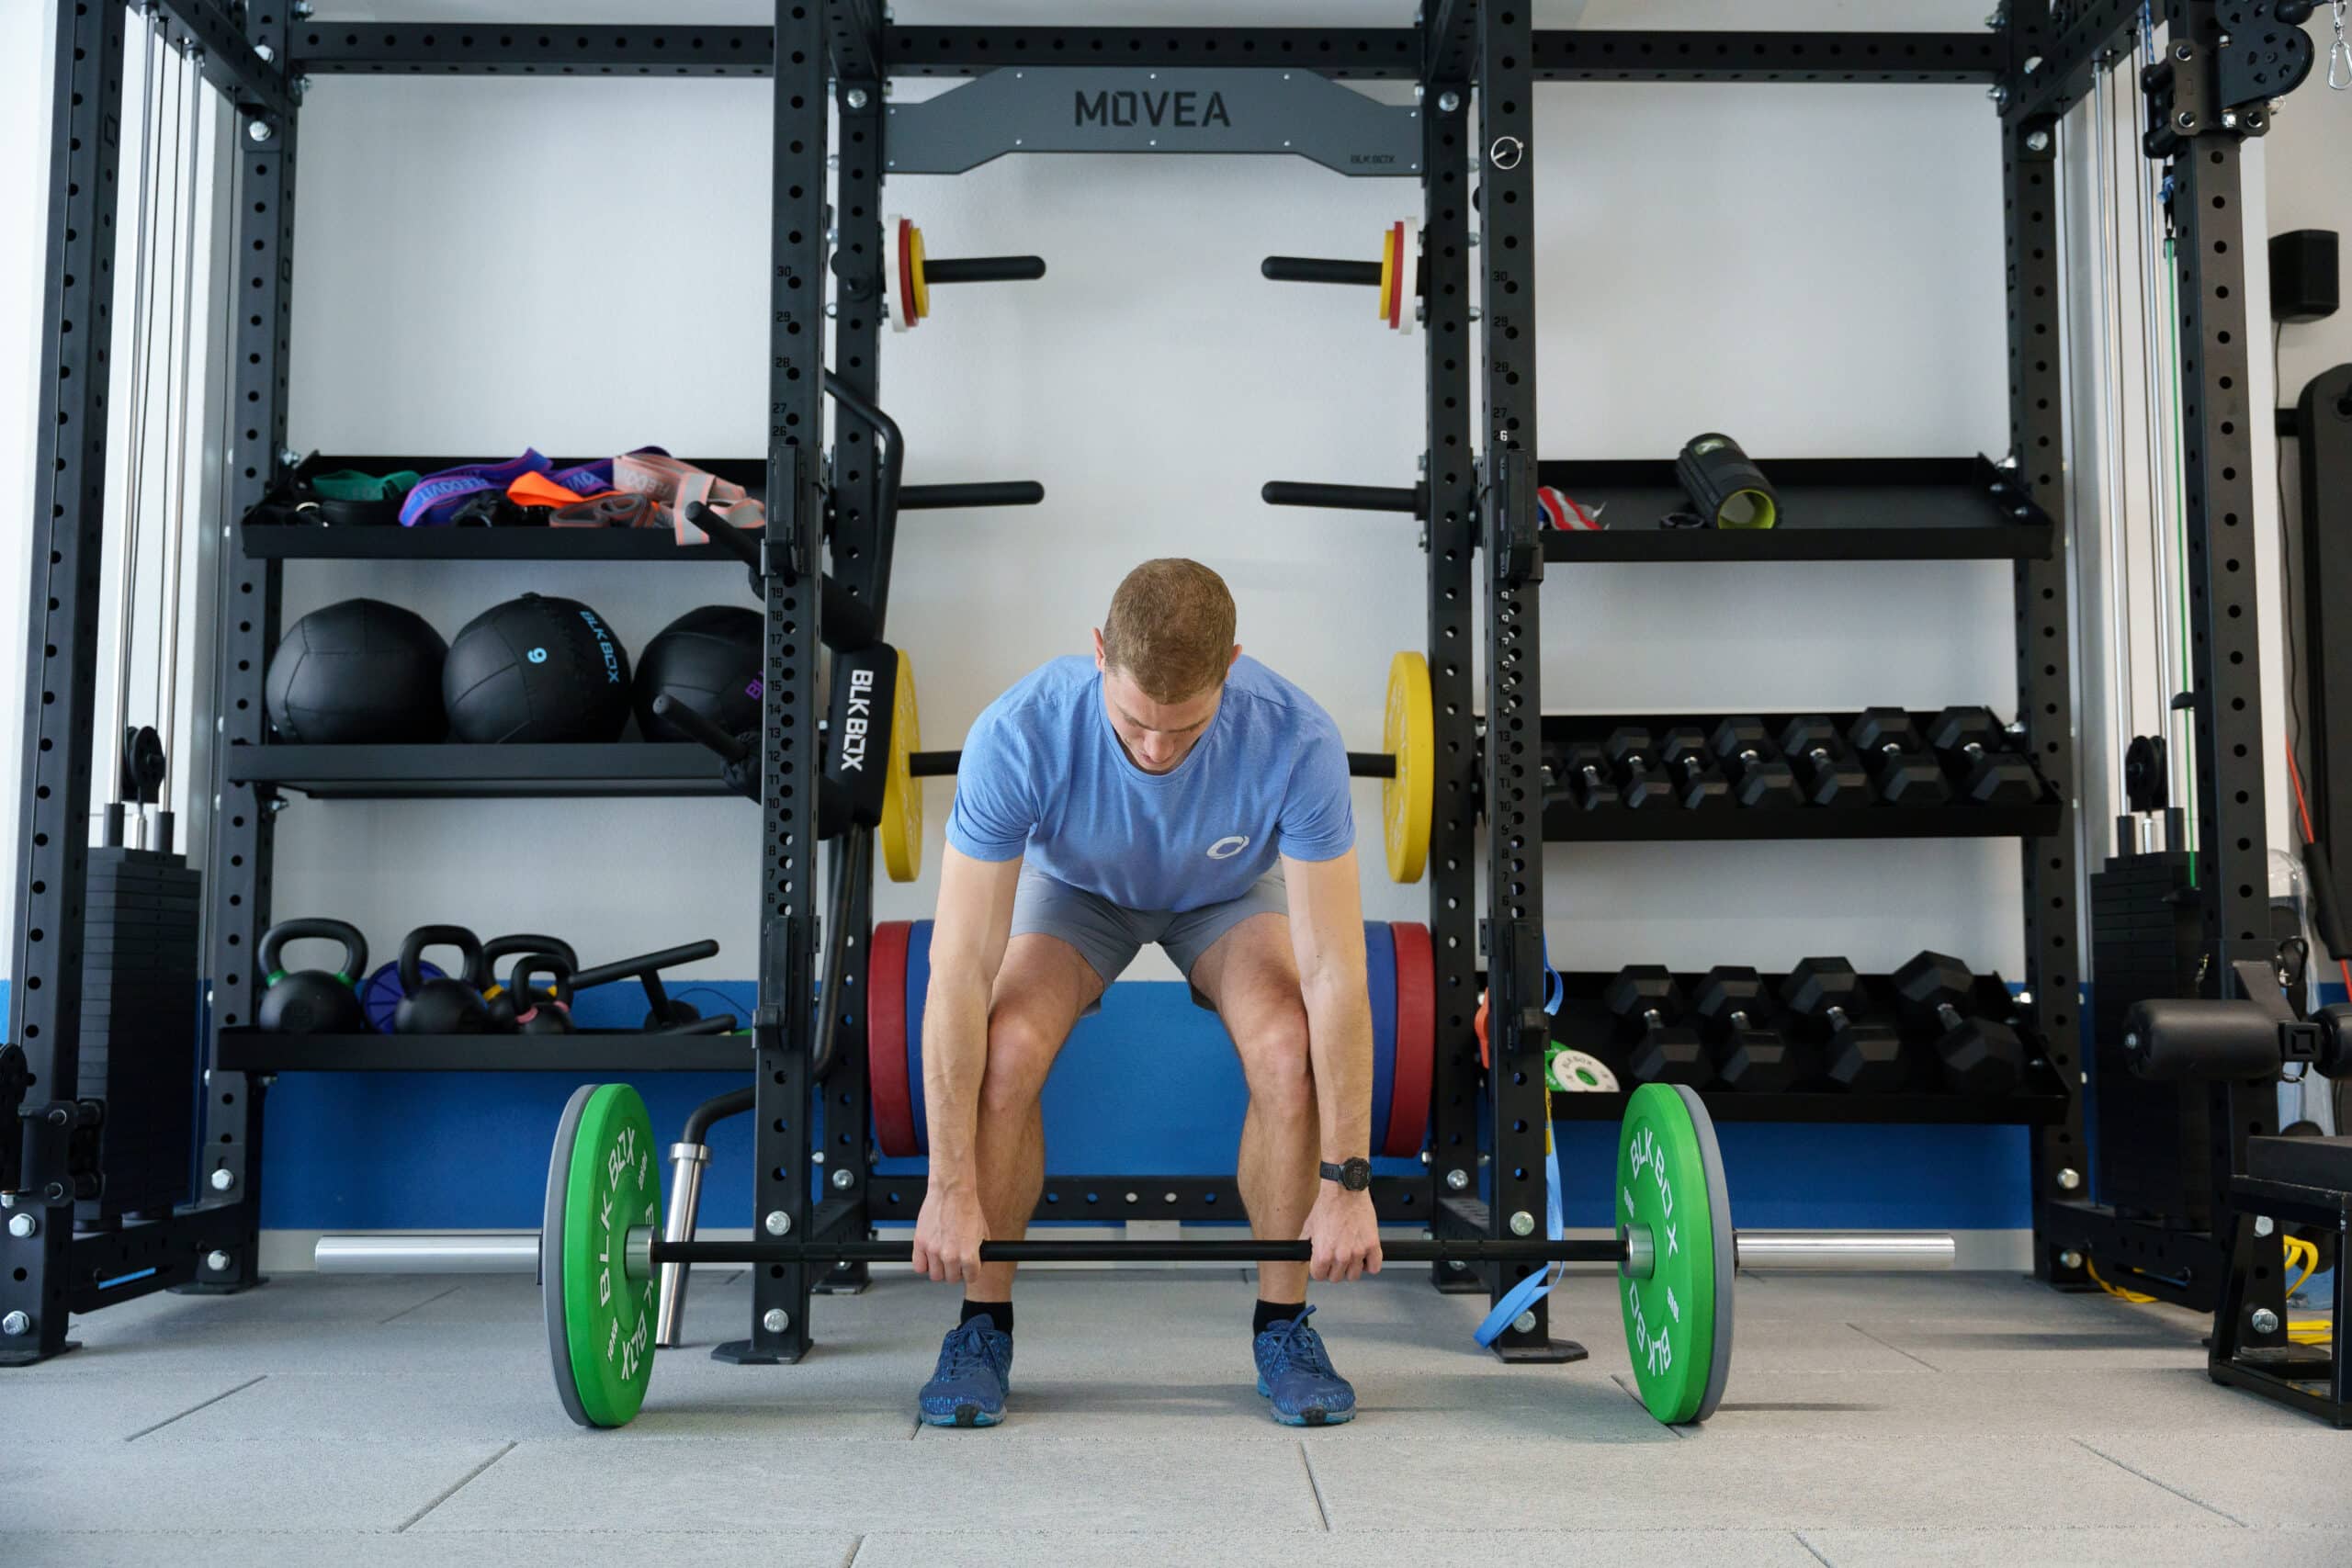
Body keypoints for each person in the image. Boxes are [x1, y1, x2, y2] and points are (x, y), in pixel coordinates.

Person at [910, 558, 1383, 1427]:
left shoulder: (1298, 739)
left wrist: (1348, 1182)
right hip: (1080, 892)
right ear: (1097, 653)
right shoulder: (1019, 734)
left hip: (1226, 892)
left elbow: (1335, 972)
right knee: (1006, 1047)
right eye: (1133, 722)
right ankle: (982, 1325)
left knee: (1287, 1048)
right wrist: (947, 1182)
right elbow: (958, 972)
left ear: (1230, 668)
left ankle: (1284, 1323)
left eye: (1186, 726)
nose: (1156, 749)